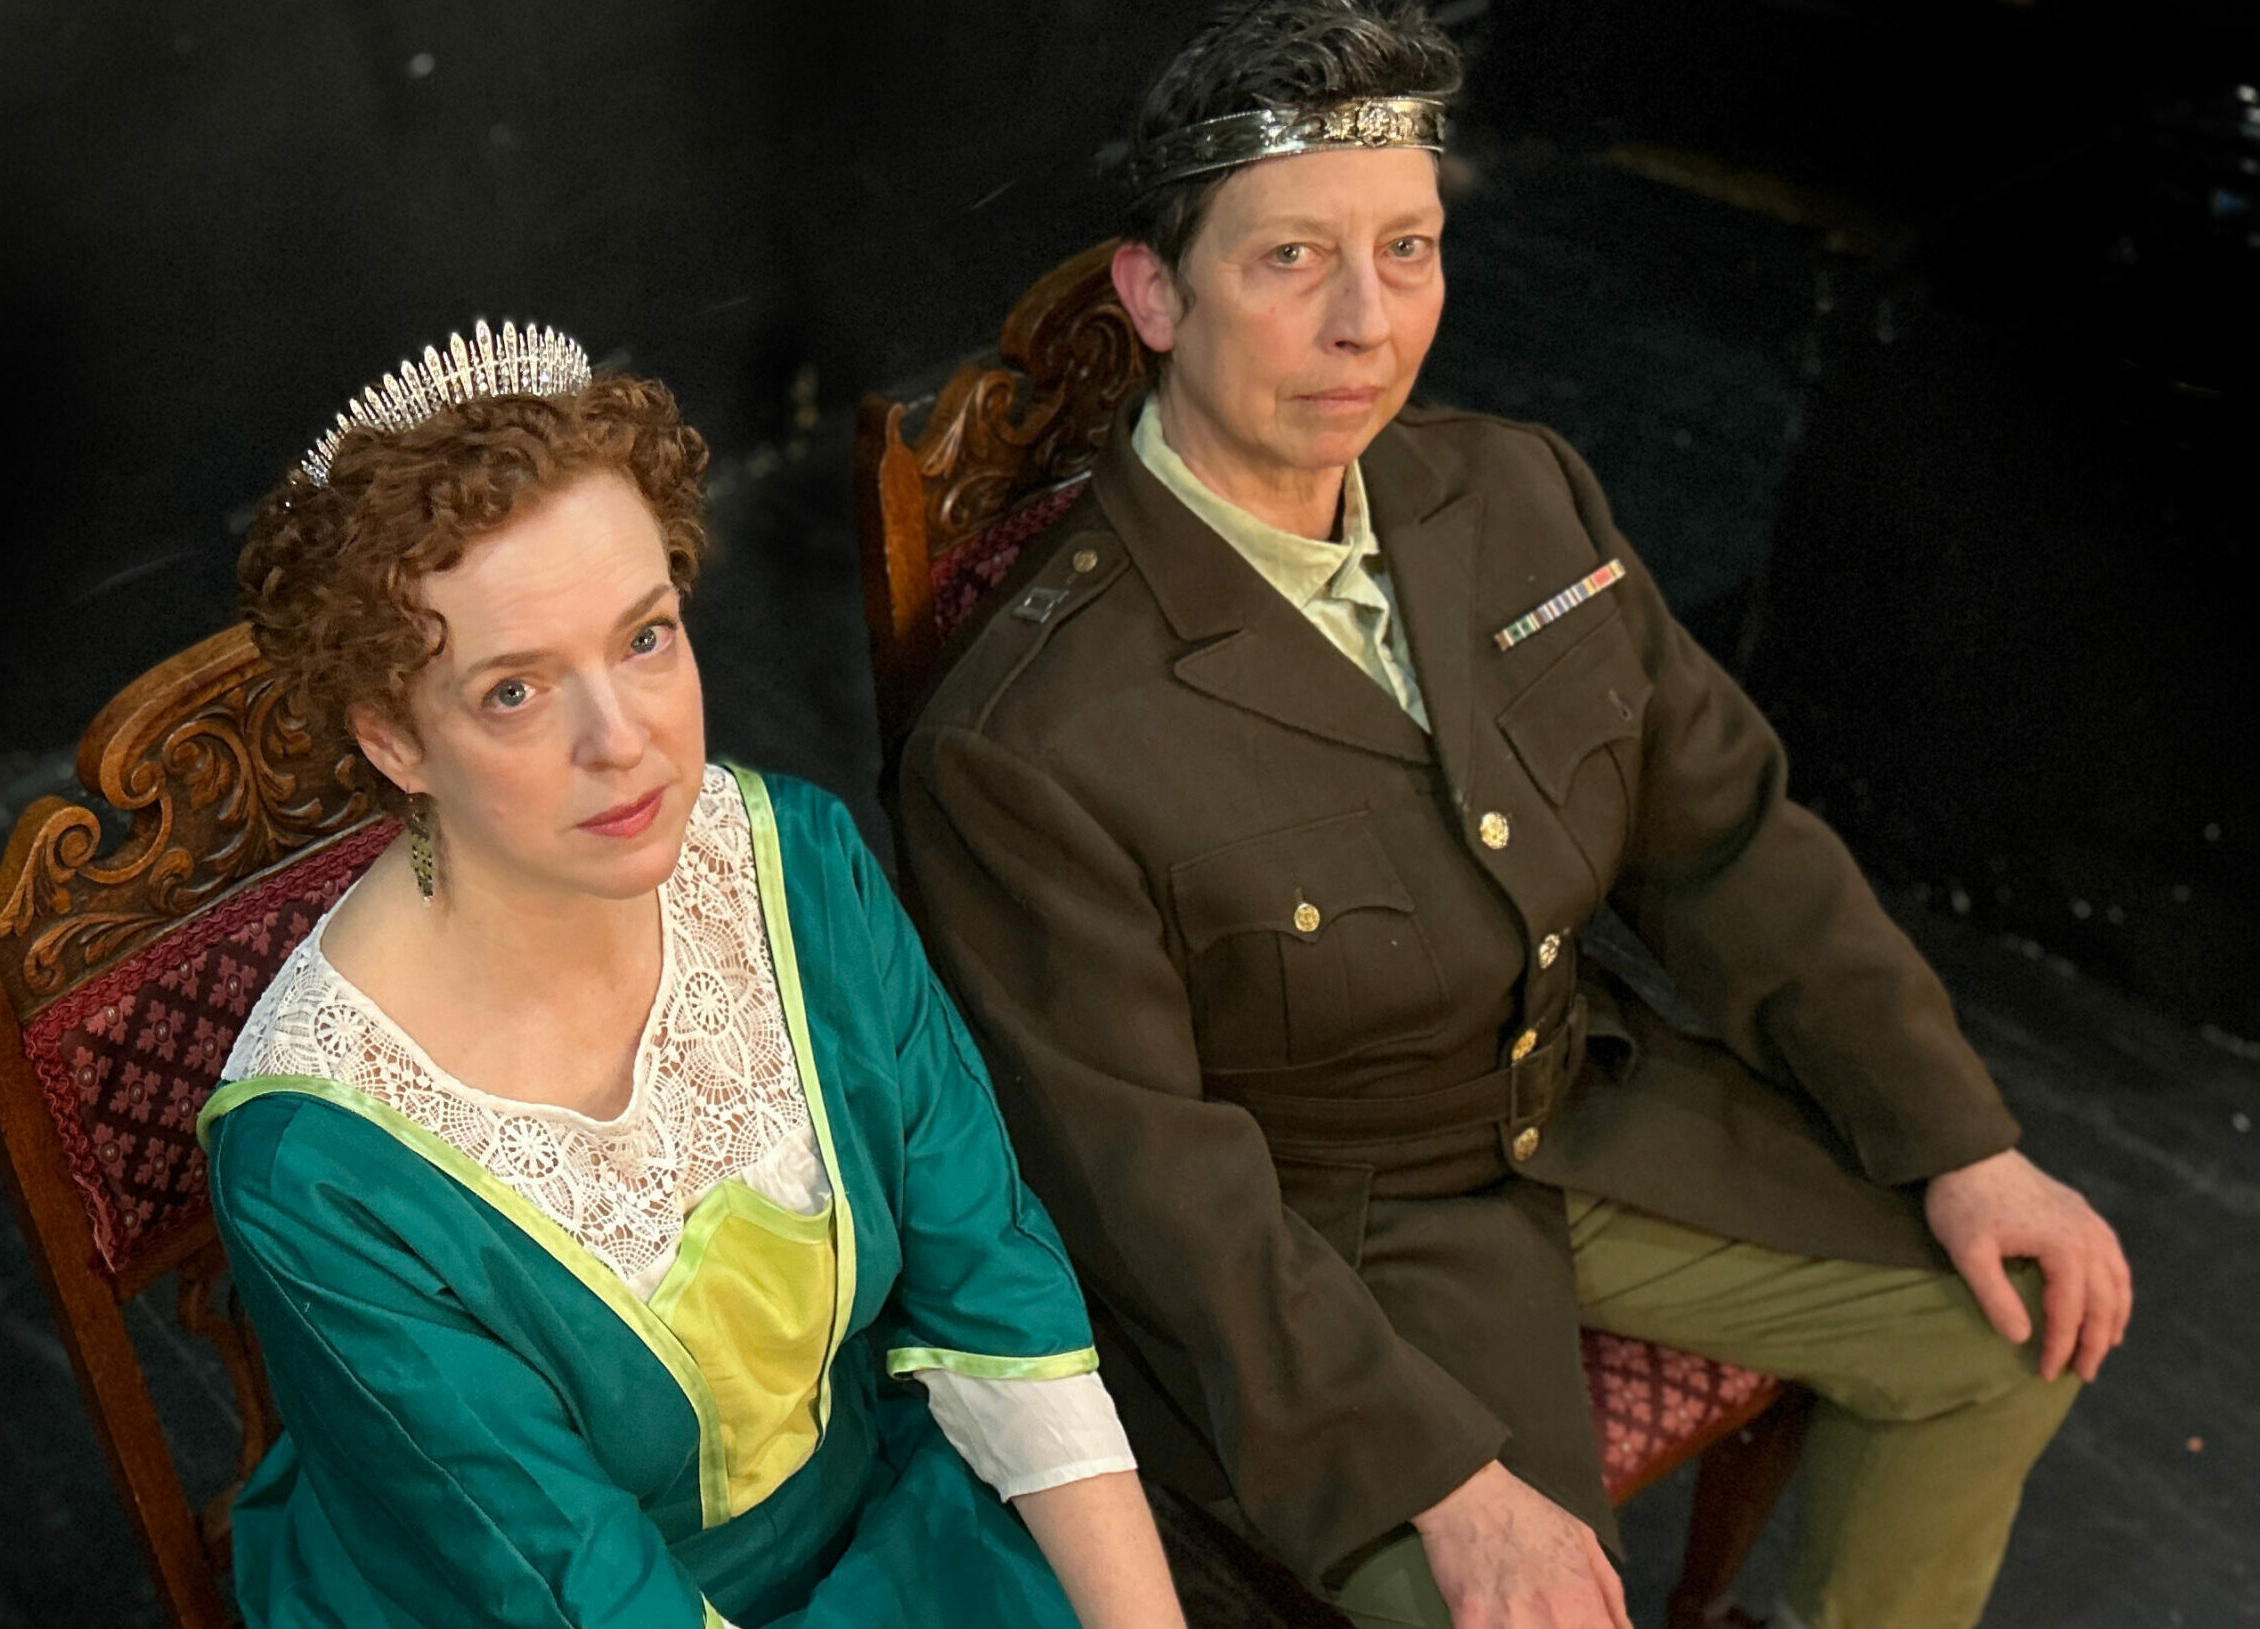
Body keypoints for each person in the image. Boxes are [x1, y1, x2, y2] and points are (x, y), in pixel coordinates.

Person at [894, 6, 2132, 1628]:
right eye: (1289, 261)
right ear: (1154, 295)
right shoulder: (1026, 740)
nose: (1368, 322)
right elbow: (1152, 1192)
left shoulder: (1519, 492)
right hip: (1324, 1270)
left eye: (1408, 248)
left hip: (1590, 1109)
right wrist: (1439, 1480)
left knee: (2010, 1332)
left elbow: (1729, 842)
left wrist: (1958, 1137)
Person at [197, 323, 1186, 1629]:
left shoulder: (799, 869)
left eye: (647, 636)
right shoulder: (319, 1160)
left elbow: (993, 1289)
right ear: (393, 736)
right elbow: (574, 1585)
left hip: (879, 1541)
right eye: (514, 692)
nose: (625, 741)